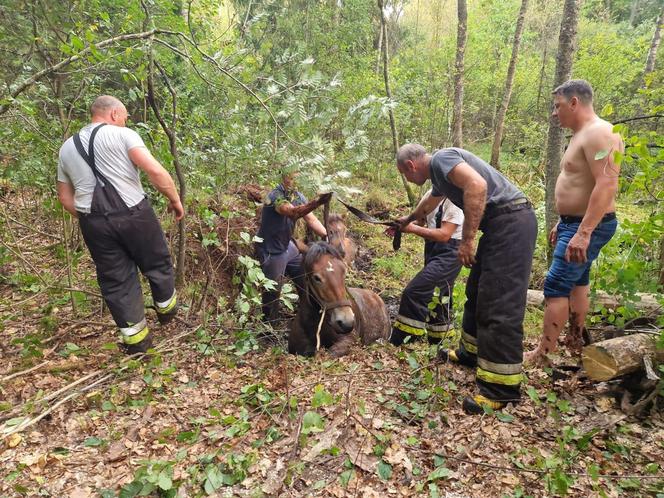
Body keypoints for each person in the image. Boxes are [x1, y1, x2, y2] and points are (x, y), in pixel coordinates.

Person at [396, 144, 537, 414]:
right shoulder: (440, 175)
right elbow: (430, 203)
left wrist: (468, 240)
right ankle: (470, 354)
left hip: (512, 222)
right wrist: (408, 220)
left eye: (404, 174)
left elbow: (477, 185)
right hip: (500, 225)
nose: (407, 179)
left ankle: (501, 389)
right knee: (477, 291)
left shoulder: (441, 160)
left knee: (500, 301)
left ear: (411, 167)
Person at [57, 95, 184, 354]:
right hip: (134, 214)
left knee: (116, 280)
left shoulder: (67, 148)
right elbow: (155, 171)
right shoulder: (123, 135)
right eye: (125, 116)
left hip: (92, 222)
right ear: (114, 114)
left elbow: (64, 197)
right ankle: (167, 314)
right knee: (156, 261)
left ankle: (138, 344)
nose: (126, 121)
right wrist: (174, 199)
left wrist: (89, 217)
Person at [525, 80, 622, 365]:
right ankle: (575, 340)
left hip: (589, 225)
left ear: (574, 103)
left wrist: (584, 232)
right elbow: (580, 182)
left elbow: (607, 184)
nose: (555, 113)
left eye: (558, 106)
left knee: (555, 285)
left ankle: (543, 354)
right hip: (575, 223)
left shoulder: (600, 133)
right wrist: (565, 222)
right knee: (579, 282)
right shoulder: (582, 134)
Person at [388, 191, 464, 346]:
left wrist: (411, 229)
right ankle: (440, 343)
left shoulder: (455, 199)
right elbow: (421, 223)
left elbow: (444, 235)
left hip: (450, 253)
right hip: (433, 250)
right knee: (438, 297)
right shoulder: (432, 194)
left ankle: (401, 343)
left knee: (415, 292)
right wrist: (401, 226)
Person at [255, 167, 331, 321]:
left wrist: (326, 235)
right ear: (284, 178)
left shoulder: (297, 196)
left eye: (298, 177)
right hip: (271, 250)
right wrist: (317, 202)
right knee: (273, 291)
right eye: (292, 177)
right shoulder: (275, 197)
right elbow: (294, 212)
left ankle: (308, 312)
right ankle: (269, 327)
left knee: (304, 275)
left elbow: (311, 219)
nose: (295, 181)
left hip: (287, 246)